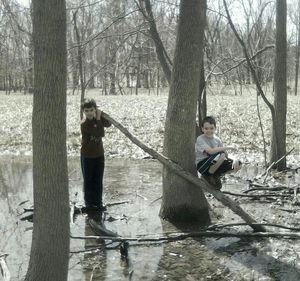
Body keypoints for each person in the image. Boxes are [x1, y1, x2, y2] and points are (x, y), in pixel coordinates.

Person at [80, 98, 111, 211]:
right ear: (83, 111)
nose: (89, 113)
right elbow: (100, 133)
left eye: (91, 110)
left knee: (98, 179)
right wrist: (98, 118)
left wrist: (102, 115)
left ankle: (98, 202)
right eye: (86, 110)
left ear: (95, 109)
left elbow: (108, 124)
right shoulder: (84, 123)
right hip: (87, 155)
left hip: (99, 155)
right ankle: (89, 204)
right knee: (88, 180)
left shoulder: (97, 119)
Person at [195, 116, 242, 189]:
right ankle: (209, 175)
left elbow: (227, 154)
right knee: (221, 154)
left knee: (238, 163)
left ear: (215, 128)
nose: (209, 131)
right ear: (202, 129)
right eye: (206, 128)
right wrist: (228, 147)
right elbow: (210, 151)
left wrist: (235, 159)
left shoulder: (217, 140)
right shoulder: (200, 139)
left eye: (211, 128)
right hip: (202, 165)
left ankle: (216, 175)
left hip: (214, 163)